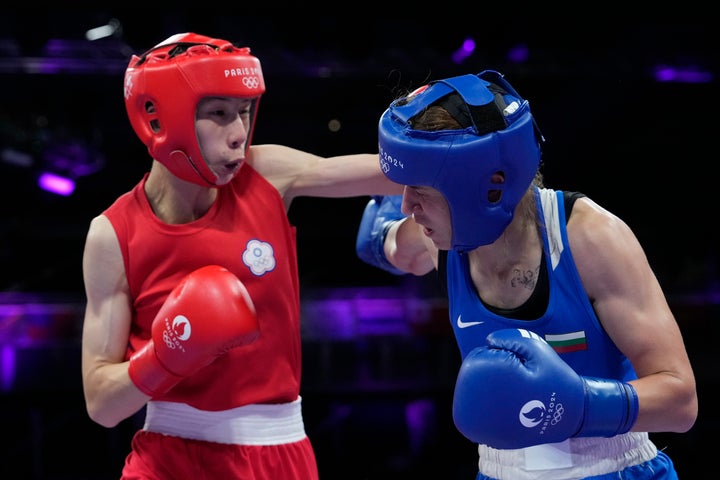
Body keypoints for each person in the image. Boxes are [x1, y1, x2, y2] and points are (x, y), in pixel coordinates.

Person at [80, 32, 401, 479]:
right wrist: (168, 354)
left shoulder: (266, 174)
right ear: (161, 118)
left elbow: (389, 174)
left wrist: (459, 155)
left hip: (278, 452)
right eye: (218, 114)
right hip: (166, 458)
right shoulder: (113, 234)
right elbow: (101, 405)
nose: (238, 135)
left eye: (245, 113)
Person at [355, 70, 698, 479]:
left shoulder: (588, 237)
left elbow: (681, 402)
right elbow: (388, 245)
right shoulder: (437, 236)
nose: (408, 205)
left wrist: (582, 405)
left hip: (616, 468)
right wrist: (377, 232)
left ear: (489, 186)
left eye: (422, 189)